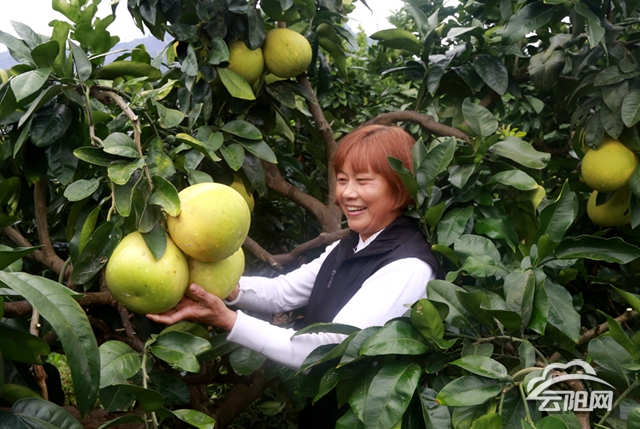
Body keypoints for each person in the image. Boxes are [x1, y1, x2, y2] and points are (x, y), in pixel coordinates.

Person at [148, 125, 443, 425]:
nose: (348, 193)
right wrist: (216, 288)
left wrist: (227, 320)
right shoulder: (352, 243)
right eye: (342, 180)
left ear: (400, 187)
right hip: (321, 408)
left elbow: (327, 349)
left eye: (363, 181)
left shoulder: (408, 266)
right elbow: (283, 292)